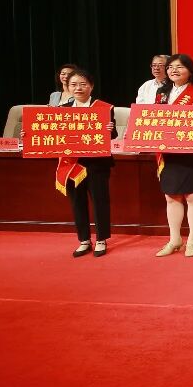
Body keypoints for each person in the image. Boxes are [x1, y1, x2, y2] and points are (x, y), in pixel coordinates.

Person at [154, 54, 193, 258]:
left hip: (191, 150)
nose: (173, 70)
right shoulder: (162, 92)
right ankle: (174, 239)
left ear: (190, 70)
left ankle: (192, 239)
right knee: (171, 196)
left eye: (179, 67)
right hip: (168, 151)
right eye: (170, 67)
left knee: (192, 196)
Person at [58, 69, 116, 258]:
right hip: (72, 163)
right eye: (74, 84)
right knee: (77, 202)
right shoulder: (62, 110)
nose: (78, 88)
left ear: (91, 86)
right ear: (68, 87)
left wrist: (111, 130)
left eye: (83, 84)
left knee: (100, 201)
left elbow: (112, 135)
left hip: (97, 164)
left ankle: (101, 239)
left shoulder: (104, 108)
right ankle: (84, 240)